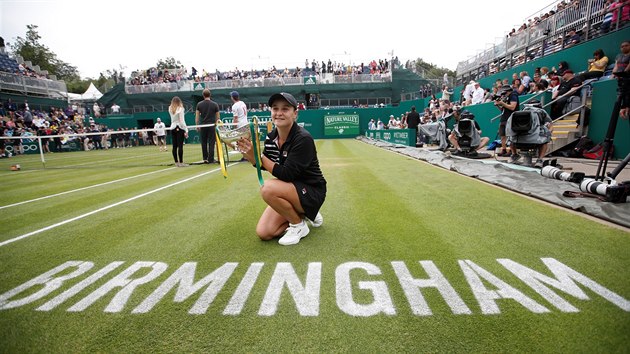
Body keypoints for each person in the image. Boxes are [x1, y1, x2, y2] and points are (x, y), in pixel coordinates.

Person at [236, 92, 326, 246]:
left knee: (268, 189)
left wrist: (258, 155)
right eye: (275, 108)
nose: (279, 113)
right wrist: (247, 151)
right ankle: (304, 213)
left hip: (312, 191)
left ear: (295, 114)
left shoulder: (303, 138)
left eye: (285, 109)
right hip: (291, 190)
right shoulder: (271, 137)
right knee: (264, 232)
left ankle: (298, 225)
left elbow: (286, 174)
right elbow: (263, 165)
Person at [494, 84, 519, 159]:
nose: (503, 94)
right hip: (504, 117)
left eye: (505, 92)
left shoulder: (513, 95)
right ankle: (504, 149)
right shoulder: (506, 97)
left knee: (510, 135)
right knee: (502, 134)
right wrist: (498, 105)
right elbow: (503, 110)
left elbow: (512, 107)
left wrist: (502, 103)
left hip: (511, 117)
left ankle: (512, 151)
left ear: (508, 91)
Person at [195, 89, 220, 163]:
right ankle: (211, 159)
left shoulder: (199, 104)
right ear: (210, 95)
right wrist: (217, 124)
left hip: (203, 125)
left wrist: (197, 125)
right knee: (211, 142)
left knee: (204, 142)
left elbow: (197, 116)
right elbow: (218, 117)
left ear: (203, 95)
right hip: (212, 125)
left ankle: (205, 158)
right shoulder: (215, 104)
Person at [612, 40, 630, 119]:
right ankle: (623, 109)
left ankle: (626, 109)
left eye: (626, 45)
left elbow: (628, 67)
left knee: (627, 94)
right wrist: (614, 74)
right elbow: (616, 66)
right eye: (622, 46)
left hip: (628, 78)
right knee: (620, 95)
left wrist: (623, 74)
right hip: (620, 79)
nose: (624, 47)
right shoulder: (618, 56)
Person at [169, 96, 188, 167]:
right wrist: (186, 130)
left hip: (173, 128)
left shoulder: (170, 108)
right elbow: (182, 121)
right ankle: (181, 162)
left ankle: (176, 162)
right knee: (180, 146)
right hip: (179, 127)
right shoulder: (180, 109)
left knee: (174, 146)